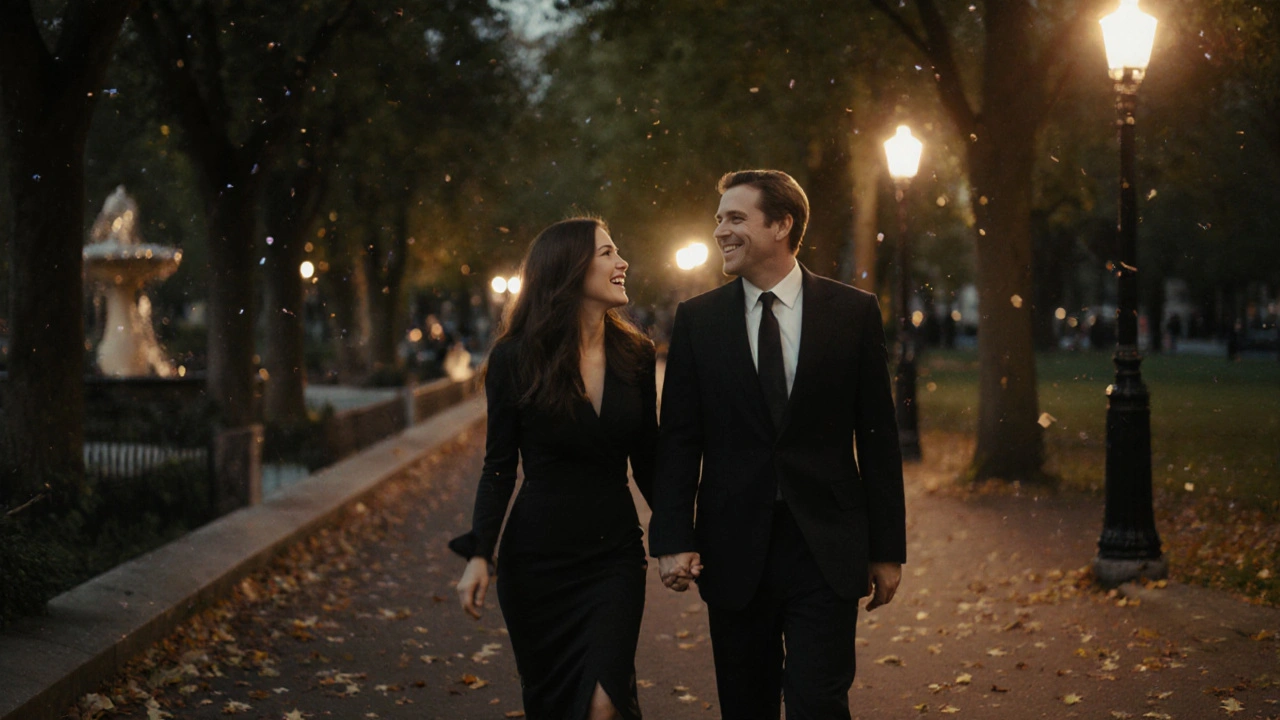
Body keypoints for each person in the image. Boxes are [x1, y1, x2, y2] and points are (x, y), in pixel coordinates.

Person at [649, 170, 906, 720]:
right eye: (719, 219)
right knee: (747, 705)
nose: (720, 230)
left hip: (827, 546)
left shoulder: (852, 312)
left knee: (819, 702)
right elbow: (679, 440)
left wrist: (887, 549)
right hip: (733, 546)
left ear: (782, 224)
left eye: (735, 217)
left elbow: (878, 439)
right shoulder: (698, 321)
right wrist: (673, 535)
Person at [451, 218, 657, 720]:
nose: (622, 262)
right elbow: (499, 466)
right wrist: (481, 553)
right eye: (608, 253)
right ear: (569, 270)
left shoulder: (636, 355)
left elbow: (650, 461)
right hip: (537, 565)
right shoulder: (514, 358)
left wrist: (682, 536)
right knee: (557, 705)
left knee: (605, 702)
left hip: (615, 556)